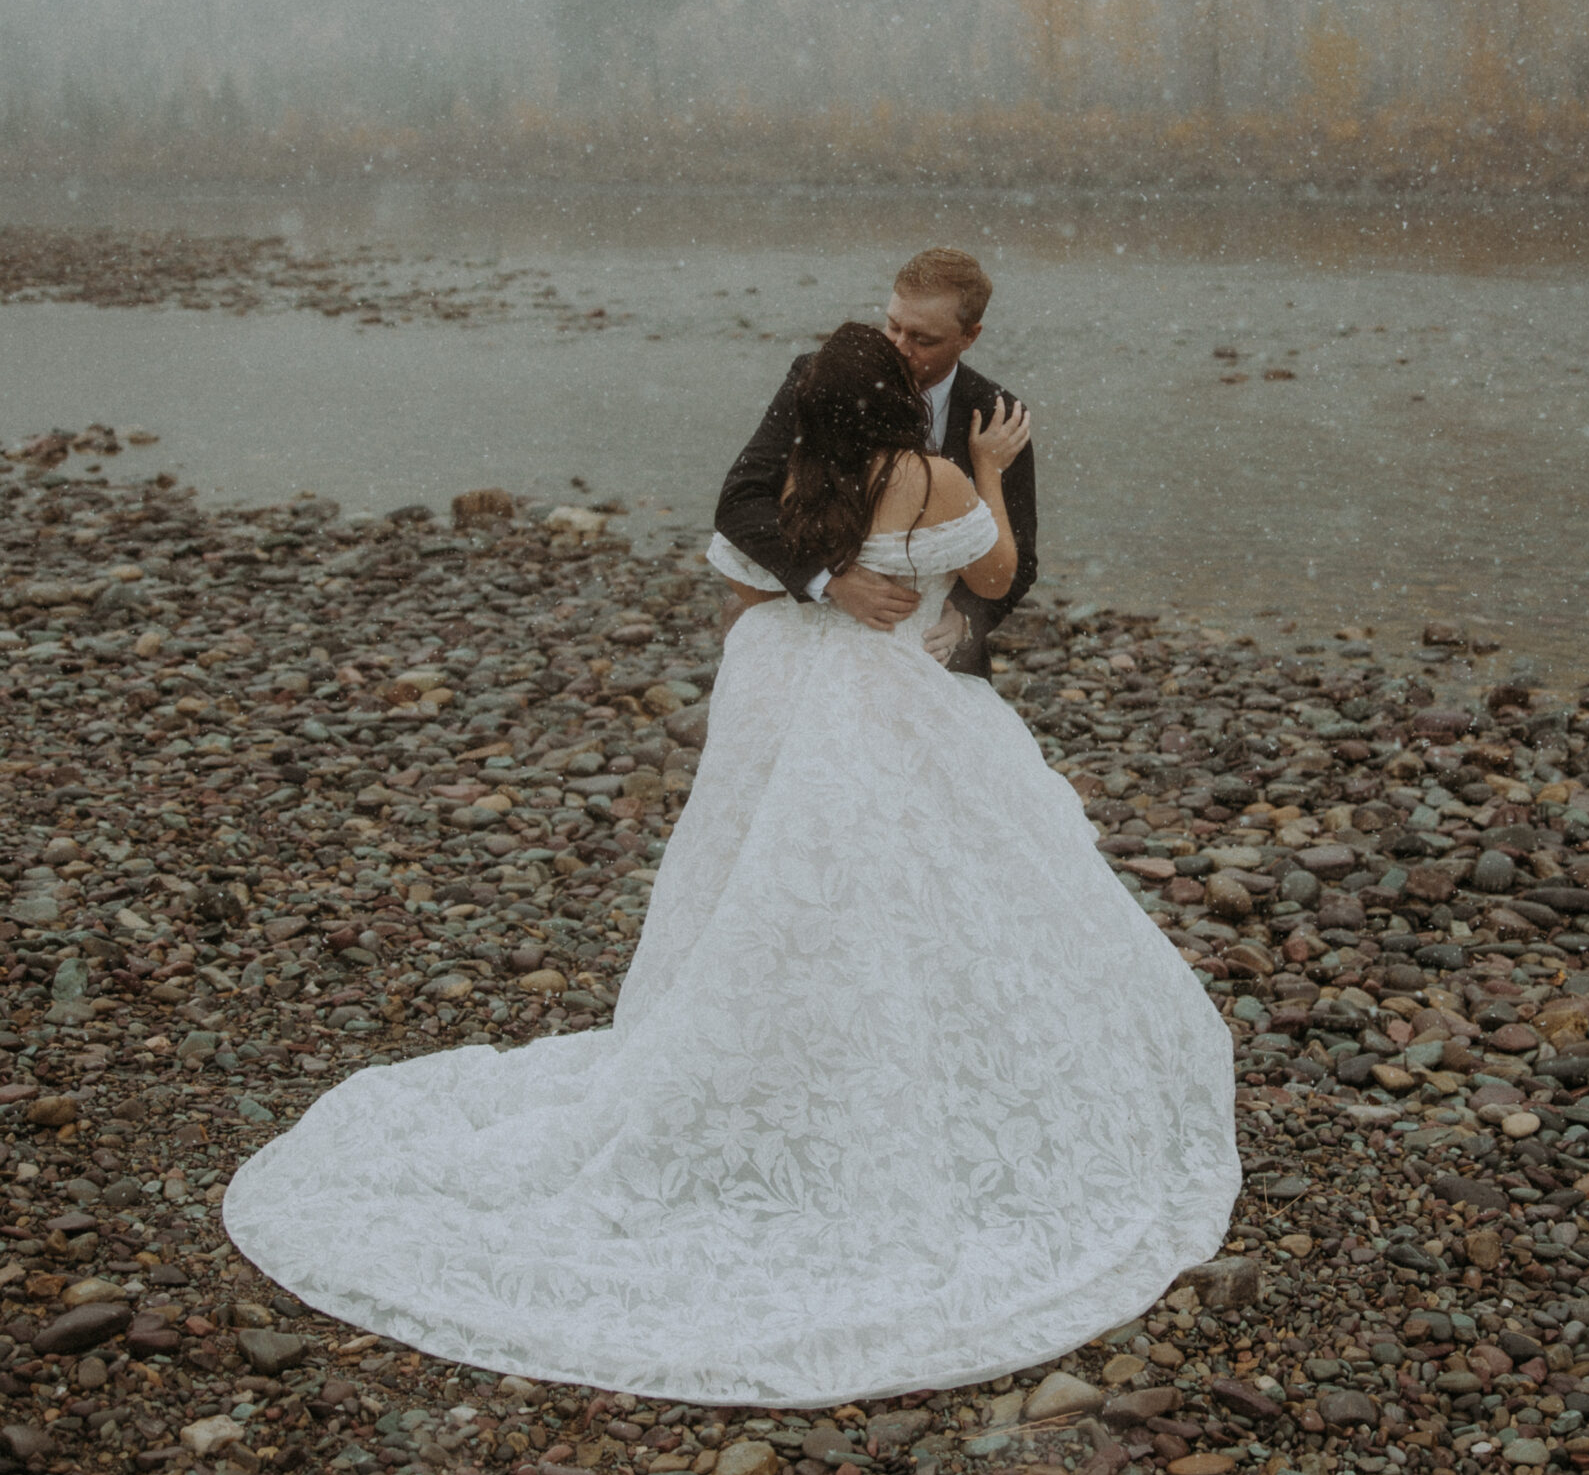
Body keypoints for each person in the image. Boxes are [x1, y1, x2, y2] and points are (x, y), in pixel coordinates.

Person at [223, 324, 1238, 1408]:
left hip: (795, 698)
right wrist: (987, 471)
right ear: (898, 393)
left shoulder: (803, 478)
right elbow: (995, 570)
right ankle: (895, 1065)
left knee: (776, 890)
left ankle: (768, 1051)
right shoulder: (933, 473)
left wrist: (827, 584)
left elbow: (747, 593)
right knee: (922, 890)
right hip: (890, 704)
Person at [716, 244, 1036, 677]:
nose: (900, 349)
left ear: (970, 336)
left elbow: (1019, 558)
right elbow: (740, 501)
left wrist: (965, 616)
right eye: (893, 326)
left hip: (934, 662)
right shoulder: (823, 378)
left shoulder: (997, 415)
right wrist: (829, 580)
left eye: (923, 339)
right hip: (817, 652)